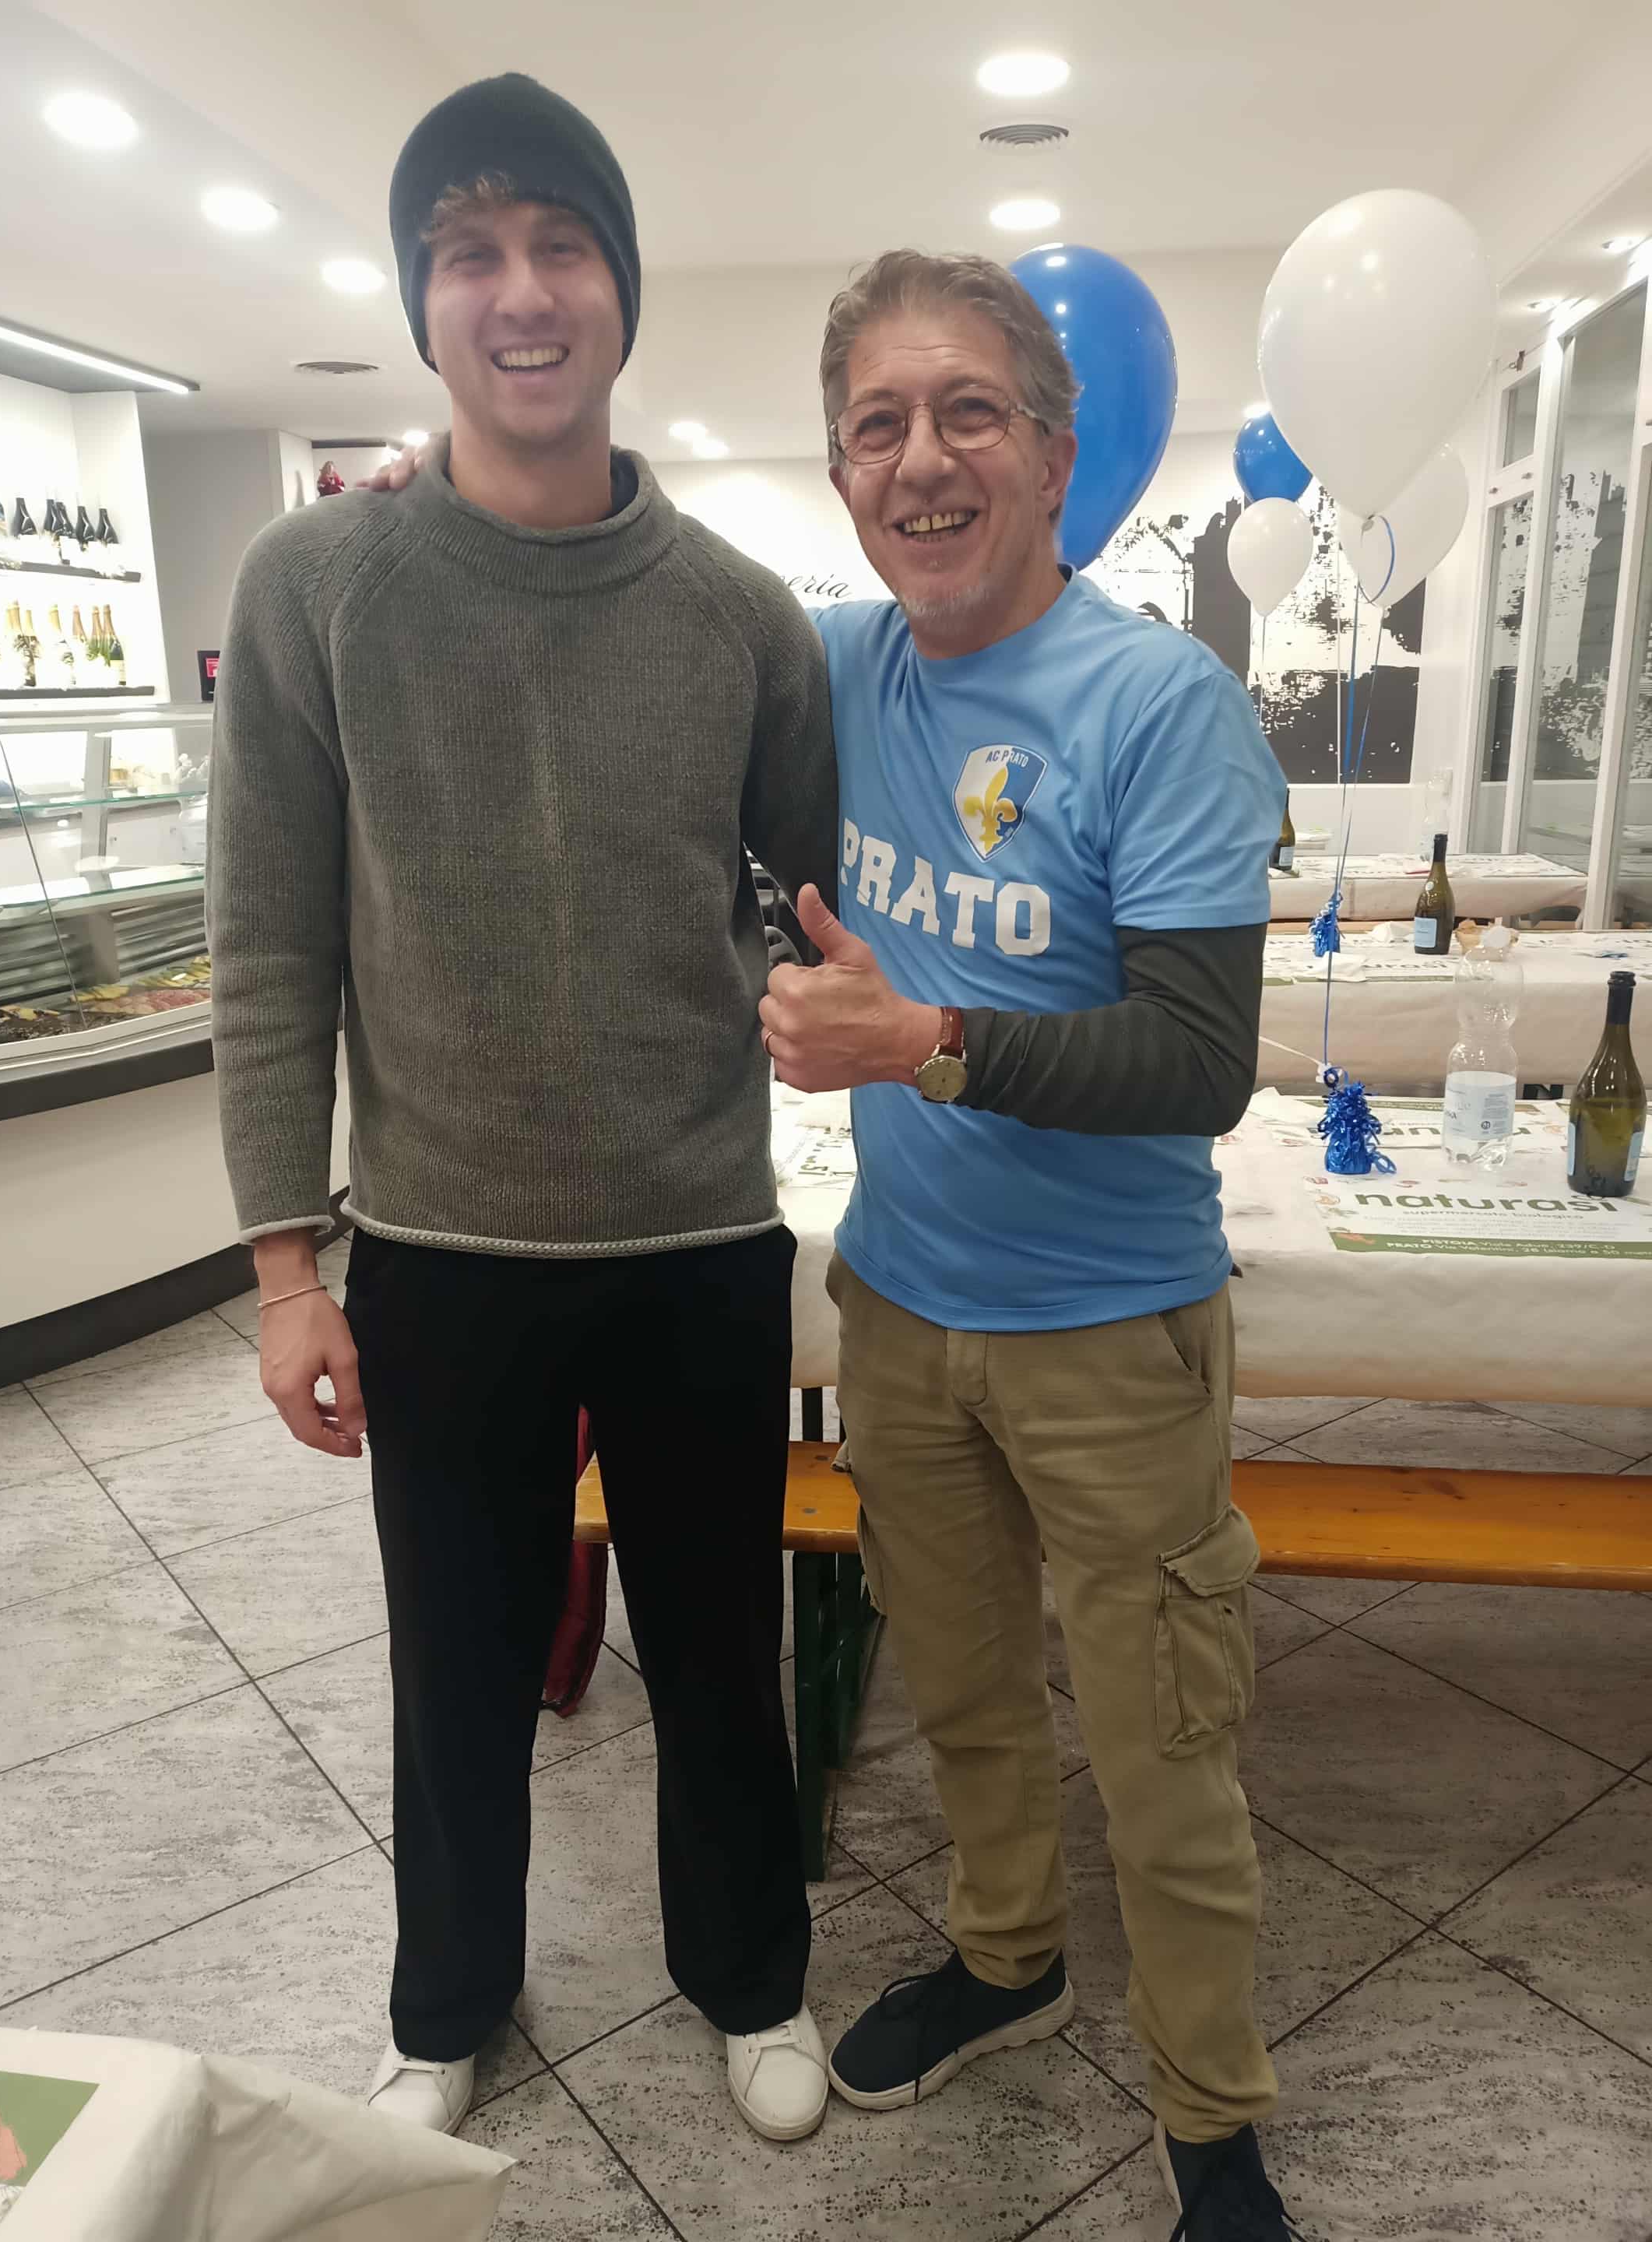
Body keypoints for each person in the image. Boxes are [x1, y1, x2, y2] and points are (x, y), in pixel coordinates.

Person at [207, 72, 836, 2145]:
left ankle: (750, 1976)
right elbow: (269, 947)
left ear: (622, 290)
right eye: (468, 252)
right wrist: (286, 1272)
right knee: (456, 1667)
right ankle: (448, 2000)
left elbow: (802, 901)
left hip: (699, 1239)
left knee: (721, 1652)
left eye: (561, 244)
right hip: (441, 1250)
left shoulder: (744, 615)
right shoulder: (317, 588)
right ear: (421, 303)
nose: (522, 291)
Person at [757, 251, 1300, 2240]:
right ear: (843, 475)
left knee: (1164, 1751)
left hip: (1111, 1333)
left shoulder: (1161, 706)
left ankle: (1211, 2116)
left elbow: (1198, 1062)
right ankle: (1007, 1961)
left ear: (1056, 457)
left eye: (969, 411)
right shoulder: (832, 667)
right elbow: (624, 619)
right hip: (902, 1311)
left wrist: (925, 1040)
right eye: (879, 424)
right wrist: (431, 510)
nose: (923, 458)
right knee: (968, 1693)